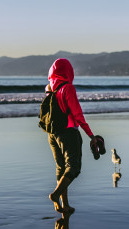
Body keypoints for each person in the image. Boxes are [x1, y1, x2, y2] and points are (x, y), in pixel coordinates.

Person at [46, 58, 96, 214]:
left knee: (61, 168)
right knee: (73, 167)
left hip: (53, 134)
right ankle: (55, 195)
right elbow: (78, 115)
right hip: (68, 133)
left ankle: (63, 205)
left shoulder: (49, 88)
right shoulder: (68, 88)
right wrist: (91, 135)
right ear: (68, 71)